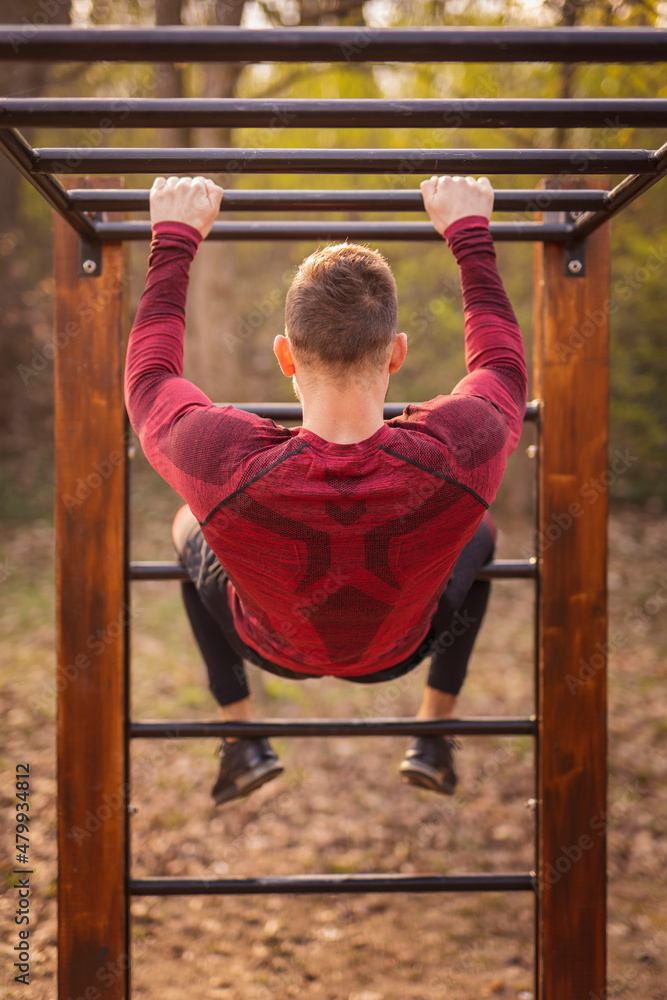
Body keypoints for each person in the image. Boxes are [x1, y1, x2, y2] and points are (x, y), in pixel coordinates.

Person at [125, 173, 526, 806]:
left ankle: (241, 735)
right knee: (480, 527)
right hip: (402, 649)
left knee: (187, 521)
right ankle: (433, 731)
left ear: (284, 355)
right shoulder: (461, 444)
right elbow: (501, 367)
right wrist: (468, 232)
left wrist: (174, 237)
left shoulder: (223, 458)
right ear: (396, 354)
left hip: (269, 646)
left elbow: (149, 381)